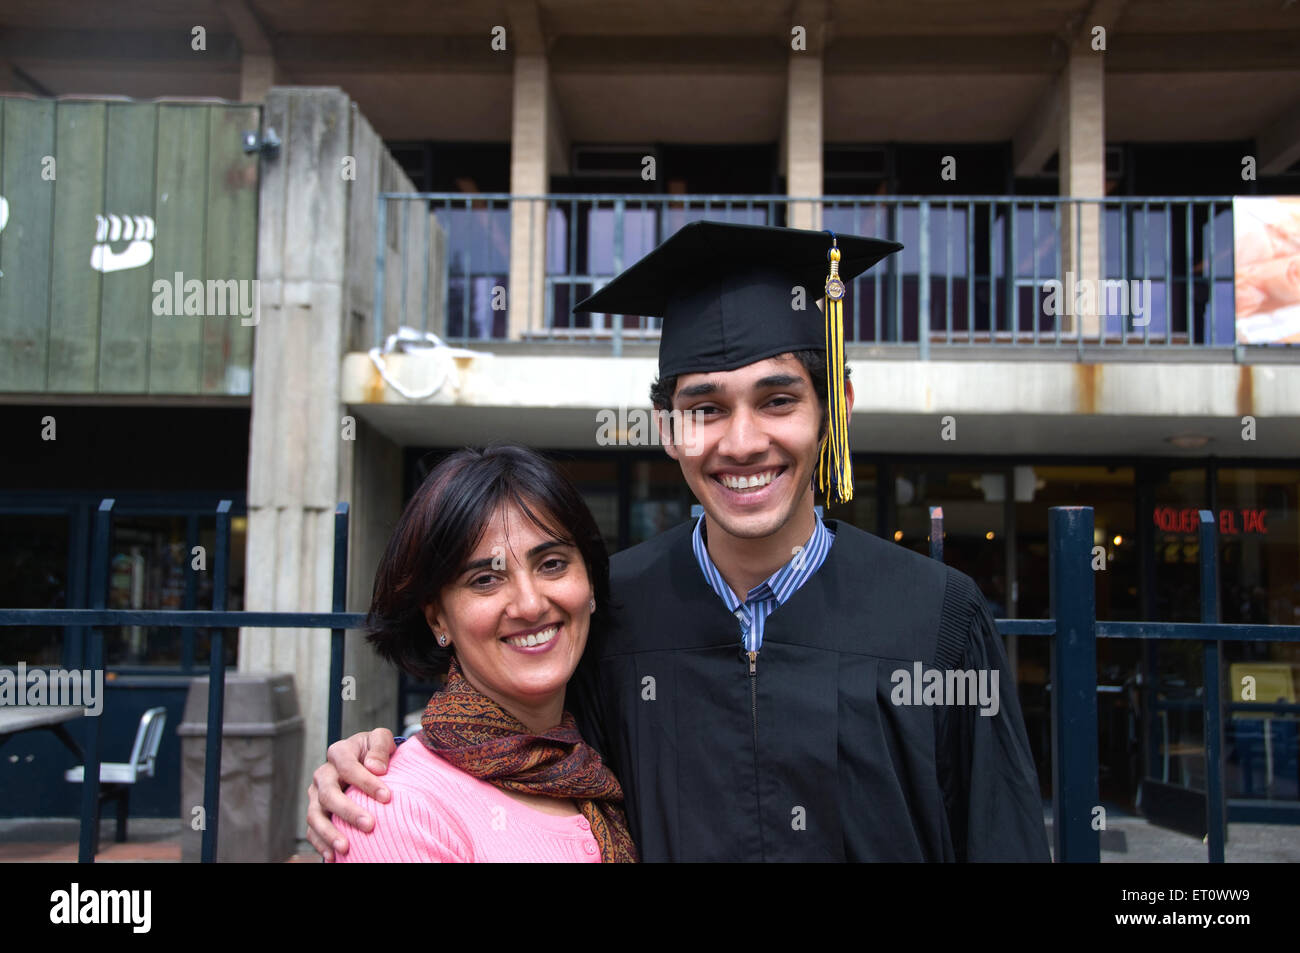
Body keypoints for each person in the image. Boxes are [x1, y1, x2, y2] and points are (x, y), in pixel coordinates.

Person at [309, 221, 1051, 862]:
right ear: (666, 427)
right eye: (705, 407)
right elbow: (513, 756)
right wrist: (374, 762)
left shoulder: (935, 618)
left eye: (778, 399)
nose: (744, 440)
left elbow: (1002, 839)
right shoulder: (608, 615)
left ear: (837, 409)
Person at [330, 445, 637, 862]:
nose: (530, 604)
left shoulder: (597, 767)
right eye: (486, 579)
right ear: (438, 618)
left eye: (551, 564)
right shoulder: (394, 809)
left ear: (591, 585)